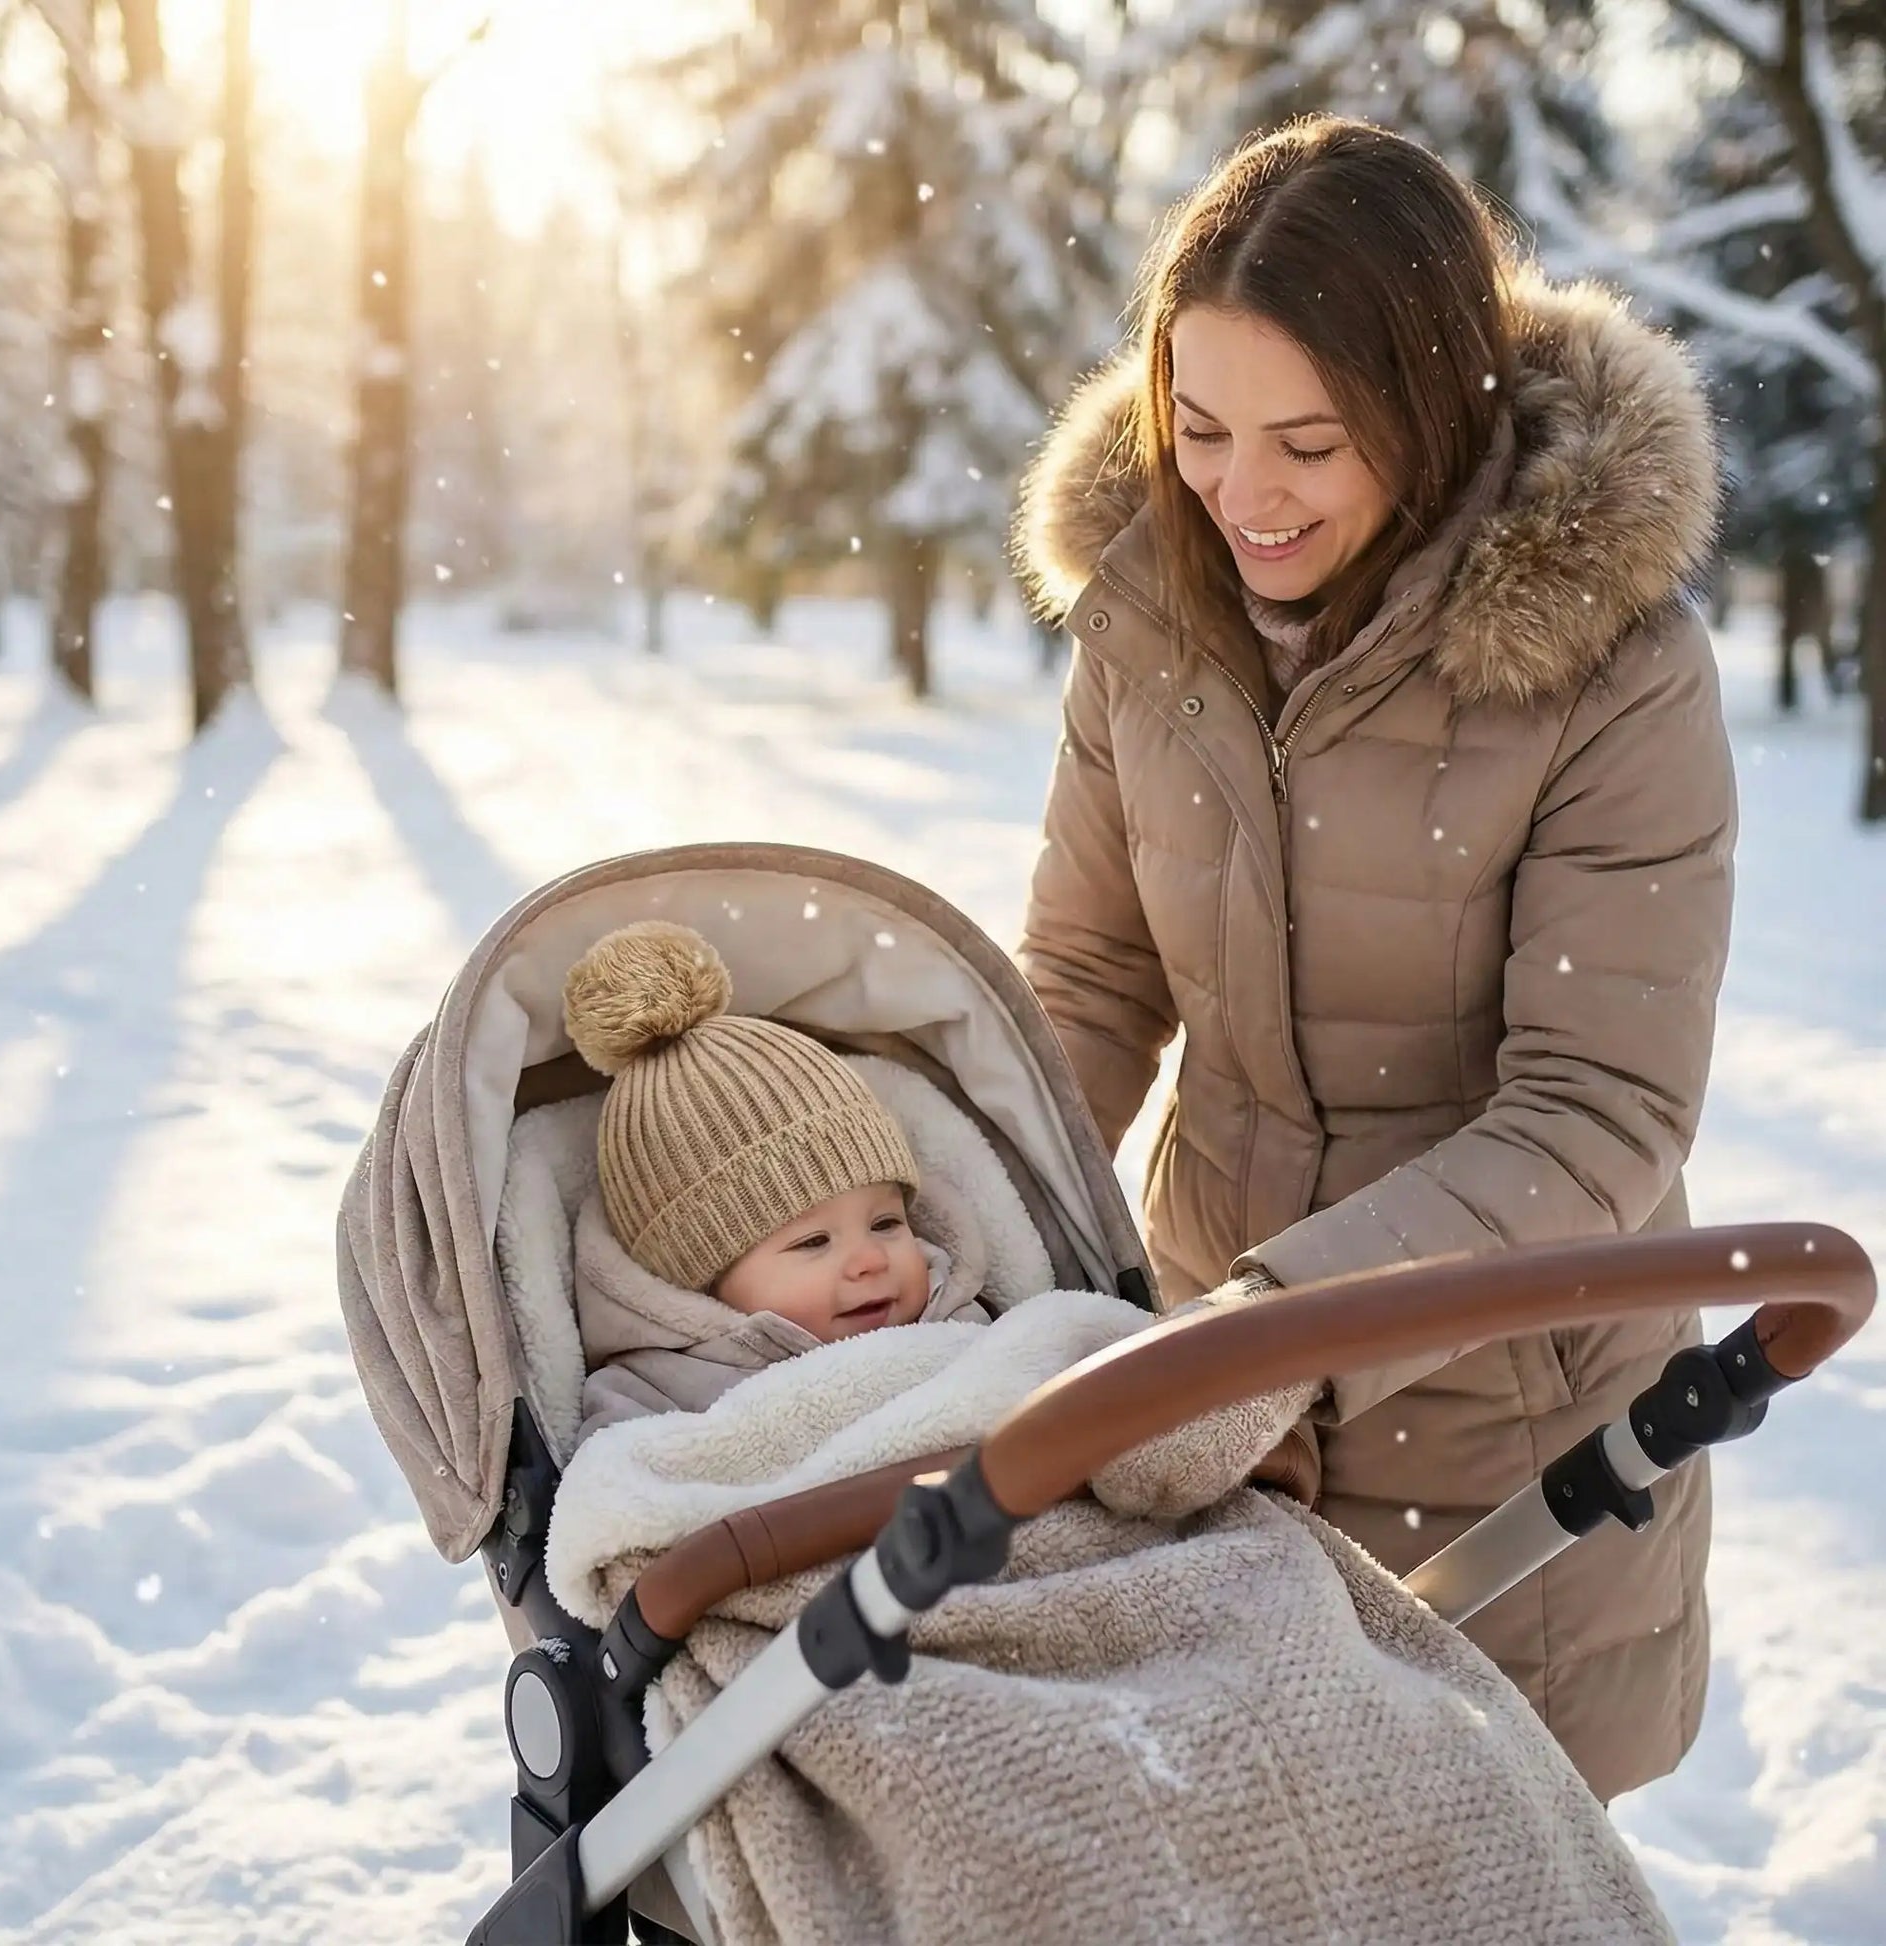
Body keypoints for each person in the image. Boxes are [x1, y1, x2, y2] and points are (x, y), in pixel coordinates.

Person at [1013, 115, 1736, 1804]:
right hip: (1209, 1401)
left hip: (1512, 1425)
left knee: (1473, 1866)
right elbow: (1091, 989)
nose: (1240, 495)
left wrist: (1276, 1332)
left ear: (1425, 409)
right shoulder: (1150, 623)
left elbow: (1596, 1113)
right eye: (1196, 431)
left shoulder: (1610, 666)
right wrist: (951, 1228)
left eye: (1308, 444)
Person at [561, 920, 992, 1436]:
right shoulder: (657, 1395)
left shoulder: (963, 1322)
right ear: (699, 1282)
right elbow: (620, 1500)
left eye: (885, 1224)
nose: (871, 1261)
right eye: (813, 1241)